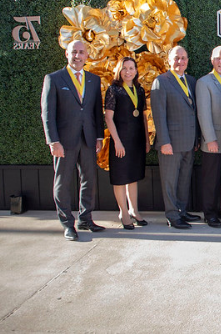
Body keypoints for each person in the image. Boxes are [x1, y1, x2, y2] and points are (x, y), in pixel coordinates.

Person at [40, 40, 105, 241]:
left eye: (81, 52)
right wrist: (53, 141)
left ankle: (85, 218)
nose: (77, 56)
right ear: (66, 55)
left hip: (88, 139)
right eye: (74, 52)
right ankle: (67, 223)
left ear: (87, 56)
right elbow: (47, 114)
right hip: (64, 142)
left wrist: (99, 136)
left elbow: (95, 110)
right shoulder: (54, 79)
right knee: (63, 181)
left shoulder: (94, 80)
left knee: (89, 180)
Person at [151, 46, 201, 229]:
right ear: (169, 60)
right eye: (176, 58)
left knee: (183, 180)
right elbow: (159, 115)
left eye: (183, 58)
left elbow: (193, 112)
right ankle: (172, 216)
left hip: (189, 143)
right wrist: (164, 142)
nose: (180, 61)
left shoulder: (191, 81)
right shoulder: (161, 82)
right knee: (170, 181)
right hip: (170, 143)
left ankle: (182, 211)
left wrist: (196, 139)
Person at [104, 57, 151, 230]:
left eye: (131, 68)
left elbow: (144, 118)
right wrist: (117, 142)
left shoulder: (139, 90)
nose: (128, 71)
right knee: (120, 178)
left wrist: (146, 140)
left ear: (136, 70)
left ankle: (134, 210)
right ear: (119, 70)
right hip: (120, 141)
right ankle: (123, 212)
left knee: (133, 177)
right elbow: (108, 118)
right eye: (124, 68)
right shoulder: (113, 90)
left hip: (136, 141)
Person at [196, 46, 221, 228]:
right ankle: (210, 213)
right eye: (218, 58)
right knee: (211, 179)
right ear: (212, 61)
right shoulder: (204, 82)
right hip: (213, 141)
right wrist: (210, 139)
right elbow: (203, 113)